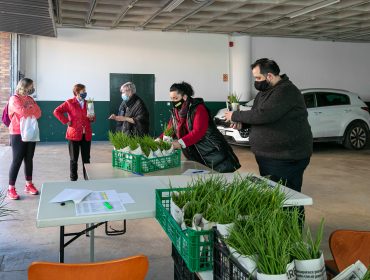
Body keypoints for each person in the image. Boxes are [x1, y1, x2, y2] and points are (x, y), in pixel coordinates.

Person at [224, 58, 312, 218]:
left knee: (289, 199)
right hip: (270, 156)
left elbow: (265, 115)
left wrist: (235, 115)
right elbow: (258, 116)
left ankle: (292, 235)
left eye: (258, 78)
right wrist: (243, 124)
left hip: (287, 157)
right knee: (274, 197)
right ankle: (279, 229)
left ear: (269, 76)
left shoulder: (286, 91)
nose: (256, 82)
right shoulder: (265, 93)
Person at [161, 82, 240, 173]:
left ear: (185, 97)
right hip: (195, 156)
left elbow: (198, 132)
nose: (173, 101)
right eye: (171, 98)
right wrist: (159, 140)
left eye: (175, 98)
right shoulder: (175, 113)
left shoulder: (198, 108)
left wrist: (180, 143)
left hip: (213, 154)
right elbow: (169, 130)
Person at [7, 78, 41, 200]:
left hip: (30, 132)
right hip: (17, 132)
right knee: (17, 160)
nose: (32, 88)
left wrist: (29, 109)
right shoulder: (14, 99)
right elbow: (21, 112)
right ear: (24, 86)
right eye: (31, 86)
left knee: (29, 158)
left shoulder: (30, 99)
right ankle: (11, 188)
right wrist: (30, 109)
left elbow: (38, 113)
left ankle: (29, 185)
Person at [54, 84, 95, 181]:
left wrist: (92, 118)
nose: (85, 93)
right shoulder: (69, 102)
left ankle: (87, 179)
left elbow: (92, 118)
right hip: (73, 135)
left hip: (86, 134)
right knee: (73, 159)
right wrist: (66, 121)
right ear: (76, 92)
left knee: (86, 159)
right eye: (83, 91)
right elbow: (56, 111)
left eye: (85, 91)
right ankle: (73, 180)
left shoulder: (89, 103)